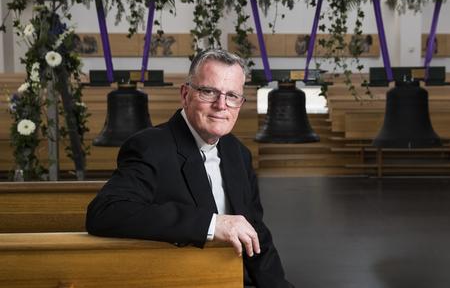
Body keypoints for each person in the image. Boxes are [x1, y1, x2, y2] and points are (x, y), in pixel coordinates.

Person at [86, 49, 294, 288]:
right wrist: (213, 224)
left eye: (232, 96)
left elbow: (255, 234)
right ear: (185, 94)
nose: (221, 105)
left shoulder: (238, 154)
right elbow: (104, 213)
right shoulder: (150, 147)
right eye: (209, 92)